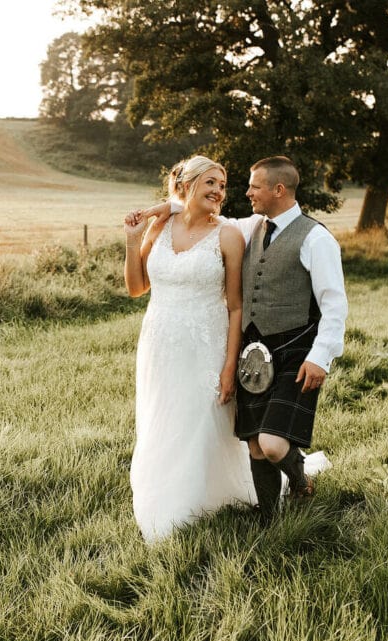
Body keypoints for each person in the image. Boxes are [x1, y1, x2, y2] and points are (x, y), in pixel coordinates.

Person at [143, 155, 347, 525]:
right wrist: (167, 205)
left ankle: (299, 478)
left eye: (254, 186)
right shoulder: (252, 226)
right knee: (254, 442)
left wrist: (321, 357)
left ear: (278, 190)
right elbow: (197, 212)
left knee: (271, 445)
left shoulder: (316, 238)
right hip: (255, 353)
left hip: (297, 353)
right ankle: (269, 518)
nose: (246, 191)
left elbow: (335, 304)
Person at [123, 155, 256, 542]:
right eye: (211, 183)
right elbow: (136, 288)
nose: (218, 191)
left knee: (200, 422)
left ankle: (201, 499)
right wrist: (133, 241)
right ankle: (163, 492)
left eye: (222, 185)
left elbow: (235, 306)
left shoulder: (228, 235)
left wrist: (230, 366)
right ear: (188, 183)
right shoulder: (161, 225)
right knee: (163, 416)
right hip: (159, 342)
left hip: (206, 344)